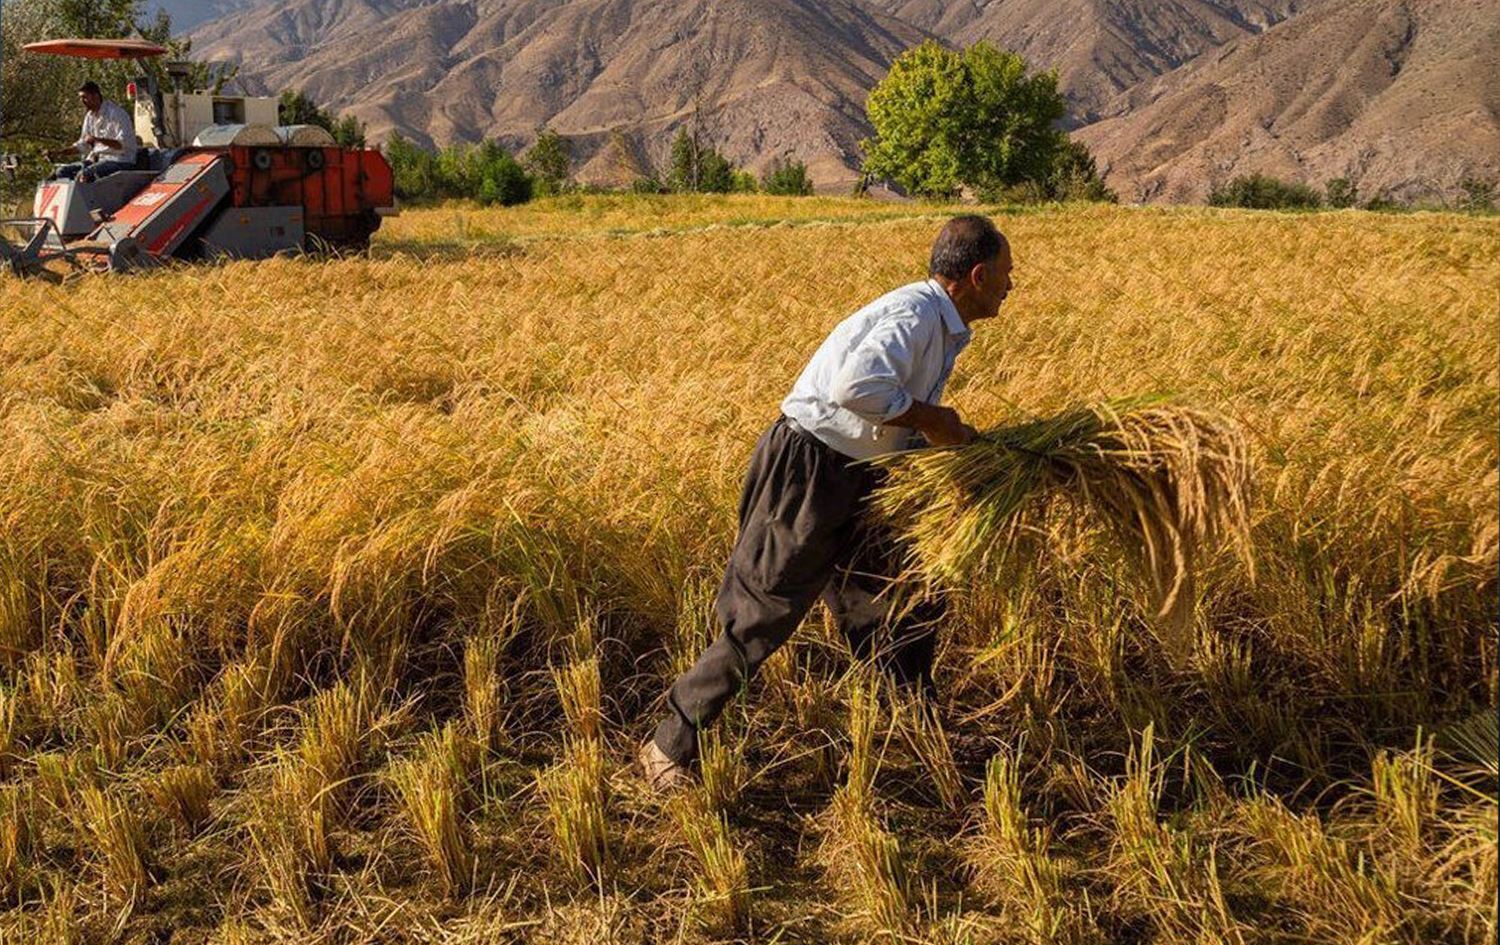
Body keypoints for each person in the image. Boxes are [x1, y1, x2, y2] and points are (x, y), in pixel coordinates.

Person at [640, 215, 1014, 790]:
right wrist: (933, 421)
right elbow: (855, 390)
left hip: (863, 473)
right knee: (764, 611)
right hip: (811, 472)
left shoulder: (940, 324)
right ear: (978, 274)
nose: (1011, 286)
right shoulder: (916, 315)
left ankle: (916, 730)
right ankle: (670, 747)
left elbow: (884, 406)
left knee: (901, 600)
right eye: (1007, 275)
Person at [51, 81, 138, 183]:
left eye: (84, 97)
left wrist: (98, 140)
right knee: (61, 172)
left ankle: (86, 198)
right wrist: (60, 153)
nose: (82, 101)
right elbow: (83, 145)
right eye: (81, 98)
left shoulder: (117, 114)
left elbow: (122, 145)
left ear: (96, 96)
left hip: (120, 160)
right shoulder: (90, 117)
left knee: (85, 174)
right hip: (99, 160)